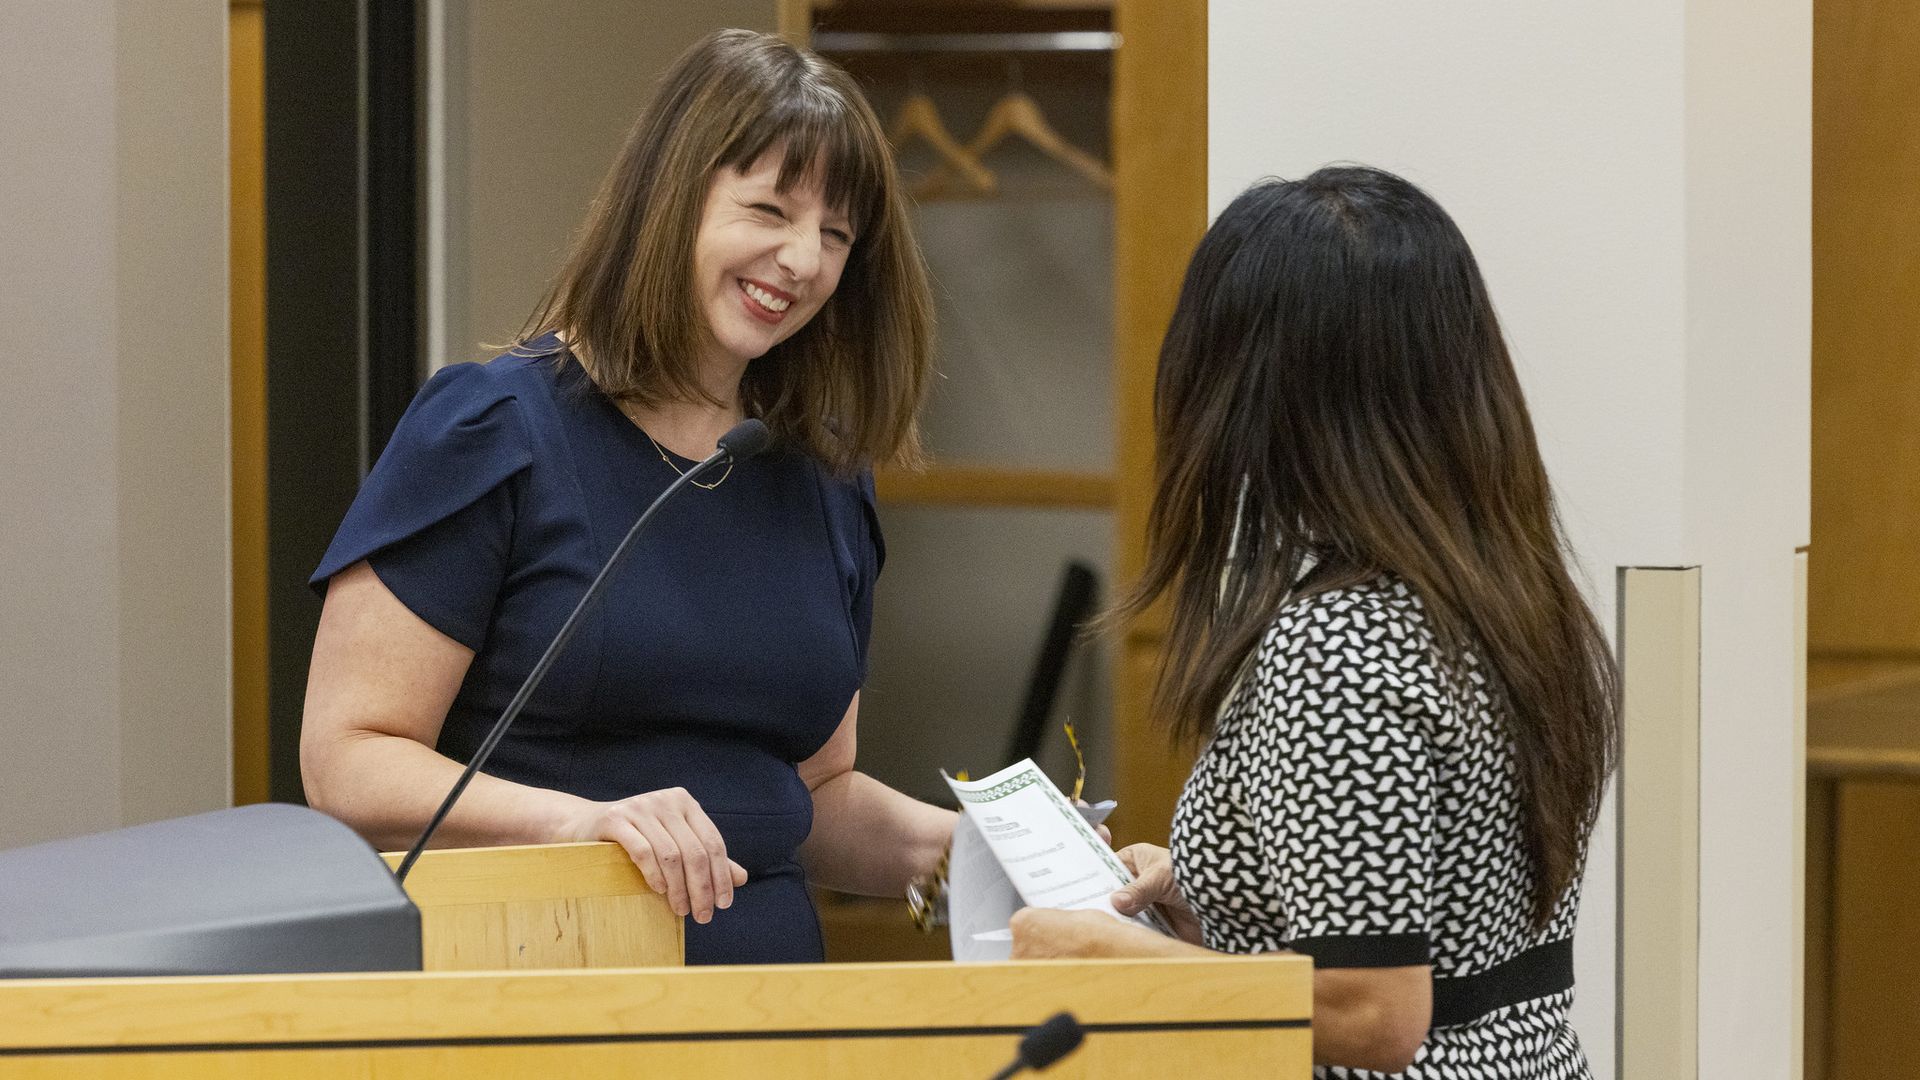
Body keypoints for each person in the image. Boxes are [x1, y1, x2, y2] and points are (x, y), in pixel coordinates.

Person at [300, 29, 955, 965]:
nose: (804, 259)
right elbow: (346, 759)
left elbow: (808, 798)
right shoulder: (493, 430)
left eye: (837, 234)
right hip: (539, 980)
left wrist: (977, 855)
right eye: (769, 209)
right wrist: (576, 822)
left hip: (773, 1015)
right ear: (671, 198)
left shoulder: (821, 479)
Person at [1009, 167, 1620, 1079]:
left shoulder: (1337, 643)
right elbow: (1438, 913)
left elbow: (1374, 1012)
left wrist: (1103, 954)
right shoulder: (1514, 600)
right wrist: (1222, 891)